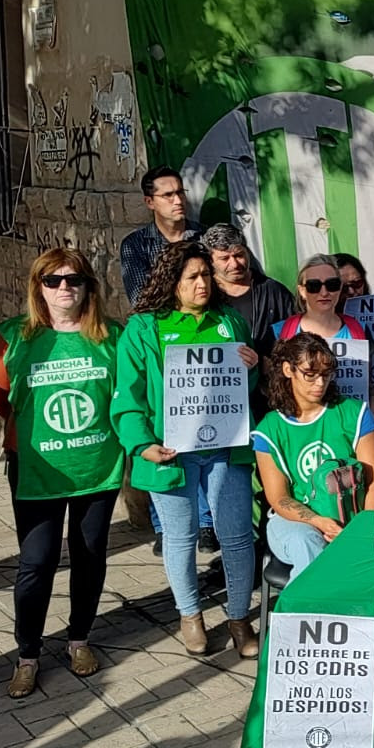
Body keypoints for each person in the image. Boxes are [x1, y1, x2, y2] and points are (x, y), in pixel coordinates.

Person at [0, 249, 124, 698]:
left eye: (74, 279)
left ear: (89, 287)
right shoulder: (15, 339)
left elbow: (131, 394)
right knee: (36, 563)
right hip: (37, 470)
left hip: (96, 468)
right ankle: (28, 654)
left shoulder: (112, 337)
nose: (64, 288)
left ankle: (78, 639)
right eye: (53, 280)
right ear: (38, 286)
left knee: (89, 555)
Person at [110, 242, 260, 659]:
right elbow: (128, 396)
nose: (202, 284)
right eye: (192, 276)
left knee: (236, 536)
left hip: (225, 448)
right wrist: (141, 445)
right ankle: (190, 615)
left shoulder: (229, 321)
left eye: (206, 276)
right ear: (172, 282)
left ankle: (237, 616)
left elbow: (240, 394)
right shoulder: (144, 328)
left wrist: (251, 368)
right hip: (172, 452)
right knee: (181, 537)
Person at [276, 255, 374, 501]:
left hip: (353, 430)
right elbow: (278, 388)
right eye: (314, 285)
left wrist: (370, 420)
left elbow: (367, 384)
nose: (324, 292)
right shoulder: (283, 332)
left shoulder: (355, 328)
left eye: (332, 284)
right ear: (301, 290)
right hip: (308, 436)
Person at [253, 334, 374, 582]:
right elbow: (279, 498)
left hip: (354, 514)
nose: (319, 383)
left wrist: (364, 528)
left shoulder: (354, 413)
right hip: (295, 521)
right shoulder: (269, 429)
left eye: (326, 374)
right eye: (310, 374)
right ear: (288, 370)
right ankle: (306, 614)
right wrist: (319, 522)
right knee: (307, 543)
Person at [201, 224, 296, 362]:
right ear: (210, 261)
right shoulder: (202, 293)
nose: (234, 264)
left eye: (239, 255)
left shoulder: (274, 292)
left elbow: (293, 335)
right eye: (224, 259)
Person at [120, 165, 201, 302]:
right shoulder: (136, 245)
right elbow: (140, 300)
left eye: (180, 193)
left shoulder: (203, 237)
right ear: (150, 202)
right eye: (168, 195)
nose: (178, 201)